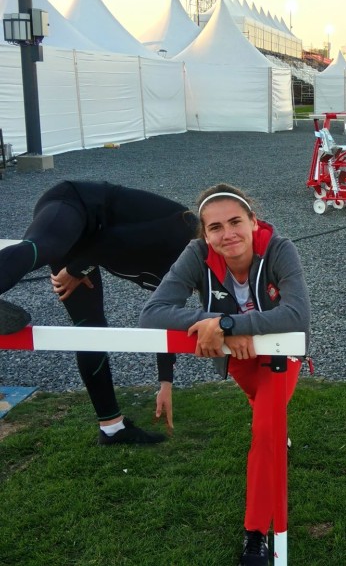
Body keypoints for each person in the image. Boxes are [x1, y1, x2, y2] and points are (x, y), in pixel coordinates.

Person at [139, 183, 311, 566]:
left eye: (235, 221)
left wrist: (232, 322)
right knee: (263, 410)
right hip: (238, 356)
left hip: (280, 353)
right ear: (204, 234)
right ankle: (275, 428)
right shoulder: (196, 254)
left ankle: (255, 535)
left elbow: (297, 316)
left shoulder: (280, 249)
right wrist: (214, 323)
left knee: (265, 431)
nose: (227, 233)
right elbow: (153, 312)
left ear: (253, 221)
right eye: (215, 227)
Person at [0, 181, 198, 444]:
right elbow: (113, 239)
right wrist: (75, 270)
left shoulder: (183, 278)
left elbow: (165, 318)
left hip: (89, 248)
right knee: (48, 245)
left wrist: (165, 383)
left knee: (90, 330)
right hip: (76, 204)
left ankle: (112, 429)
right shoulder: (183, 229)